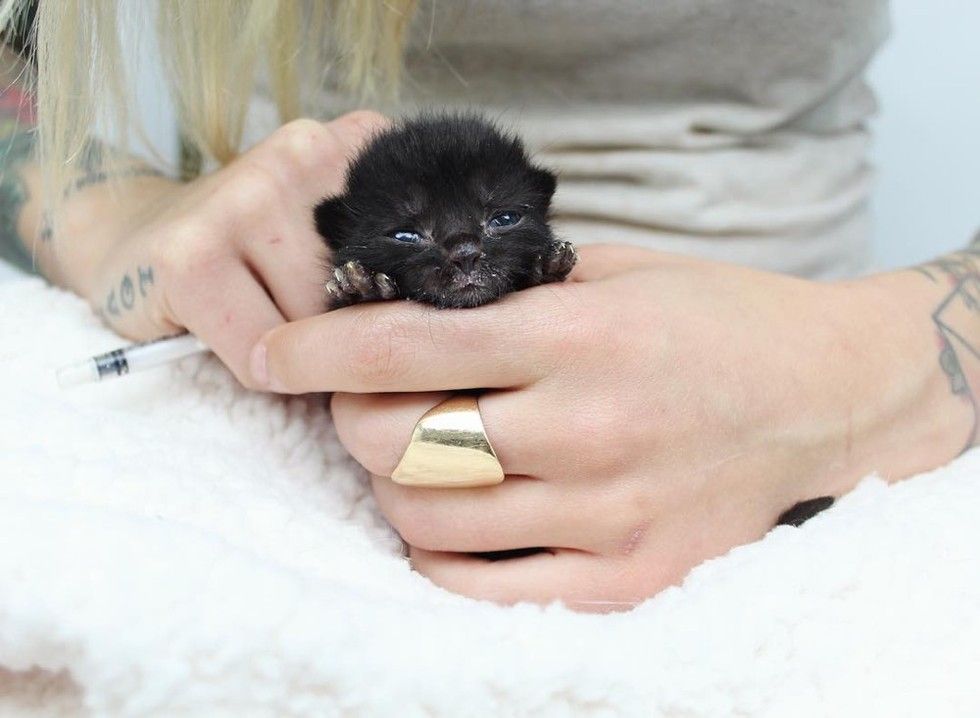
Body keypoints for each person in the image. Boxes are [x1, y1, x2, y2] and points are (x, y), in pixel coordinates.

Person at [0, 0, 973, 609]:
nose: (465, 251)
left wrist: (860, 375)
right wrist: (109, 212)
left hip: (823, 423)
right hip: (280, 411)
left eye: (497, 223)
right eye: (426, 238)